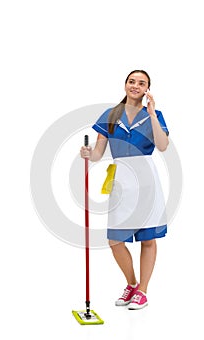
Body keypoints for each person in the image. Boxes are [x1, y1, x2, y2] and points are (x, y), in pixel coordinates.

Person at [80, 70, 169, 310]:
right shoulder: (111, 115)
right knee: (115, 240)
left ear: (147, 89)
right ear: (125, 85)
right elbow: (98, 152)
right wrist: (89, 155)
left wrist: (151, 114)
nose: (135, 86)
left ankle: (143, 291)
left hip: (147, 179)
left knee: (147, 238)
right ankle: (132, 283)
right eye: (132, 81)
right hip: (121, 179)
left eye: (142, 83)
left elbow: (162, 145)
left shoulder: (155, 115)